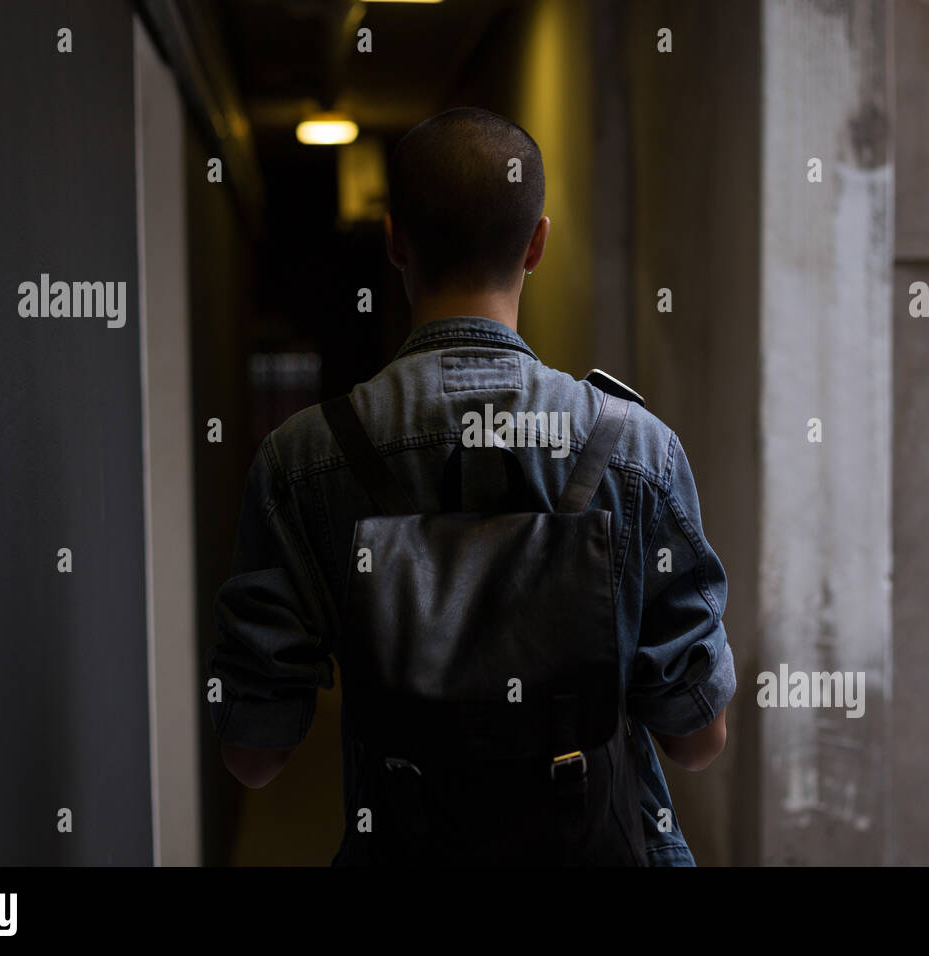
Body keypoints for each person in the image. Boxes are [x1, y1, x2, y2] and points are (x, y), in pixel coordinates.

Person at [207, 106, 735, 866]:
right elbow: (695, 739)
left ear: (394, 240)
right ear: (538, 244)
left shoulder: (304, 460)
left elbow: (253, 754)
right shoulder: (635, 450)